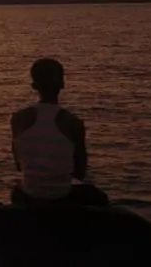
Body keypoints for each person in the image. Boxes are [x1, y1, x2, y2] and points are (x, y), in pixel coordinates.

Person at [10, 58, 109, 206]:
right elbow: (79, 172)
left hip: (29, 195)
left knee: (16, 191)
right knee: (99, 197)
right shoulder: (73, 122)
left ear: (34, 85)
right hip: (62, 196)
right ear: (62, 84)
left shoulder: (18, 120)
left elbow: (19, 165)